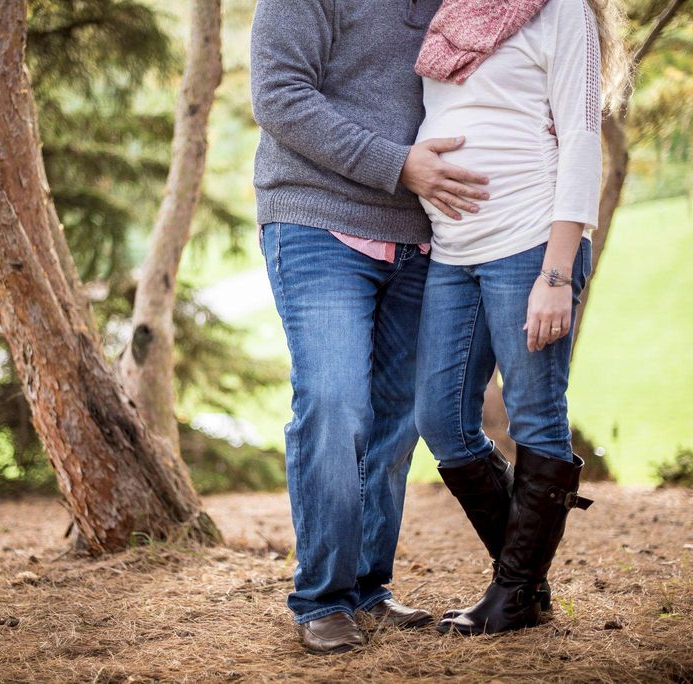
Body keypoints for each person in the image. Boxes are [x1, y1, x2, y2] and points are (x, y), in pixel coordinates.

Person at [250, 0, 492, 655]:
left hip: (421, 235)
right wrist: (398, 164)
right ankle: (322, 598)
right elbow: (277, 96)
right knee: (332, 399)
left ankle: (366, 588)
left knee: (395, 418)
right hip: (316, 217)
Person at [412, 0, 628, 635]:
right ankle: (525, 584)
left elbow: (583, 139)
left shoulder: (562, 12)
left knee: (534, 415)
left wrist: (556, 274)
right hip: (454, 251)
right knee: (443, 420)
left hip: (531, 241)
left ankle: (513, 597)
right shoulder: (448, 10)